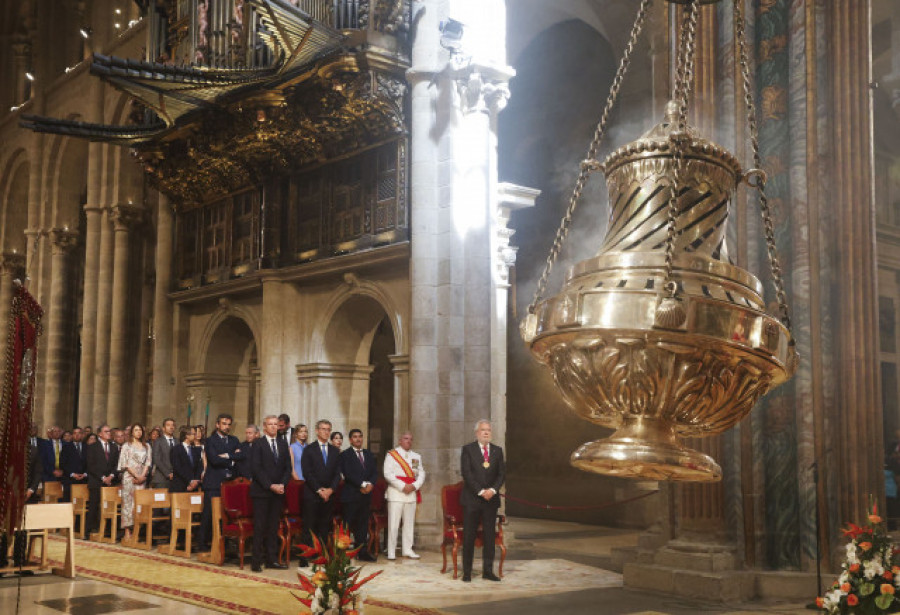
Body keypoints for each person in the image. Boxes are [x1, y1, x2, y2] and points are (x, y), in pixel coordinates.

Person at [459, 419, 505, 582]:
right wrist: (480, 491)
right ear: (477, 433)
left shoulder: (497, 451)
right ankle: (467, 572)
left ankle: (488, 571)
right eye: (483, 430)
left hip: (490, 501)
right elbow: (467, 473)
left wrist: (492, 490)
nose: (486, 433)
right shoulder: (468, 450)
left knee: (489, 537)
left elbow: (501, 474)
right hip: (472, 499)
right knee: (469, 536)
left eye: (489, 430)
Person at [249, 415, 292, 572]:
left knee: (274, 527)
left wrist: (282, 484)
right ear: (264, 426)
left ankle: (271, 560)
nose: (274, 427)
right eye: (270, 424)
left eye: (276, 424)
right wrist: (270, 485)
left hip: (278, 492)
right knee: (260, 527)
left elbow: (288, 467)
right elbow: (256, 468)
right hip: (262, 491)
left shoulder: (282, 442)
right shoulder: (258, 444)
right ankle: (256, 561)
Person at [199, 414, 244, 549]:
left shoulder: (234, 440)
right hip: (213, 482)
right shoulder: (210, 440)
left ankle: (222, 543)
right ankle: (203, 544)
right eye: (224, 423)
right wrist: (232, 459)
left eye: (229, 424)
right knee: (209, 514)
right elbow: (214, 460)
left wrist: (228, 456)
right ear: (217, 425)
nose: (227, 427)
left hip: (229, 482)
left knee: (226, 514)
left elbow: (241, 455)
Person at [300, 419, 341, 566]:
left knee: (325, 527)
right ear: (317, 431)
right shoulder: (309, 449)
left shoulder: (335, 451)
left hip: (328, 496)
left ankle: (322, 556)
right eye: (323, 429)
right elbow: (307, 472)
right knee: (309, 527)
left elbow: (337, 473)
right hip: (312, 494)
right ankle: (305, 558)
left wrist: (330, 490)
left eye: (328, 429)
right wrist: (319, 489)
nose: (326, 432)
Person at [0, 436, 42, 569]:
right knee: (5, 530)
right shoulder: (5, 451)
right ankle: (2, 561)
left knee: (22, 530)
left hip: (27, 497)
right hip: (7, 496)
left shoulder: (33, 450)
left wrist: (31, 489)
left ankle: (20, 562)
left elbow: (38, 472)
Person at [383, 431, 425, 560]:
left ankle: (407, 549)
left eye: (410, 439)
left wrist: (414, 486)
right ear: (400, 441)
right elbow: (387, 474)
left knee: (409, 524)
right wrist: (402, 486)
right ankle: (391, 551)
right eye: (406, 438)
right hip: (396, 493)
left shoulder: (415, 457)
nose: (408, 441)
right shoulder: (392, 455)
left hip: (411, 493)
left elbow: (420, 473)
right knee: (394, 524)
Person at [340, 429, 378, 562]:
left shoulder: (368, 454)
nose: (358, 439)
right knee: (347, 525)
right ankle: (343, 554)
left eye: (360, 437)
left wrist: (371, 484)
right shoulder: (345, 455)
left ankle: (362, 552)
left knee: (362, 525)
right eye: (355, 437)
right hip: (351, 495)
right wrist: (362, 484)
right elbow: (348, 473)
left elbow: (374, 471)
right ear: (350, 440)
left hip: (365, 496)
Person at [85, 425, 120, 539]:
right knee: (94, 506)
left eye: (110, 431)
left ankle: (108, 531)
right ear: (100, 434)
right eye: (106, 431)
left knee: (109, 507)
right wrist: (102, 477)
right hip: (96, 481)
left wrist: (111, 476)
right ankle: (88, 531)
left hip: (110, 482)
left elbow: (117, 464)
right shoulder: (92, 447)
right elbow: (91, 465)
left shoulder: (114, 447)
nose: (109, 433)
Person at [119, 424, 152, 543]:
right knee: (128, 504)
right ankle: (127, 531)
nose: (138, 432)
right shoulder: (126, 446)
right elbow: (125, 464)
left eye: (140, 430)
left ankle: (137, 530)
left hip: (141, 478)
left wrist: (142, 476)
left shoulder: (147, 446)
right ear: (132, 432)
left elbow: (148, 463)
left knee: (138, 505)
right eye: (136, 430)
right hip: (129, 478)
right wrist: (136, 476)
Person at [171, 425, 202, 493]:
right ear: (187, 435)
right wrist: (190, 481)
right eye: (194, 434)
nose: (195, 435)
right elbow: (177, 467)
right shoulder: (176, 449)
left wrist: (195, 481)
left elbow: (199, 467)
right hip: (181, 485)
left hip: (194, 487)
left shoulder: (195, 450)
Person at [61, 426, 88, 501]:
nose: (77, 435)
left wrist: (85, 474)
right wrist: (72, 474)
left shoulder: (87, 447)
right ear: (72, 435)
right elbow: (63, 464)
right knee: (70, 503)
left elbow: (90, 463)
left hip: (84, 480)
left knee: (82, 503)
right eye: (75, 433)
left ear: (82, 435)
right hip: (70, 480)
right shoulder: (66, 447)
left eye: (79, 433)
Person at [151, 418, 178, 490]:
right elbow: (156, 459)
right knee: (161, 501)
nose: (171, 427)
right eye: (168, 425)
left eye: (173, 425)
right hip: (161, 478)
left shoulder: (177, 441)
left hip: (176, 478)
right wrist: (168, 473)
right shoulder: (158, 441)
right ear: (163, 428)